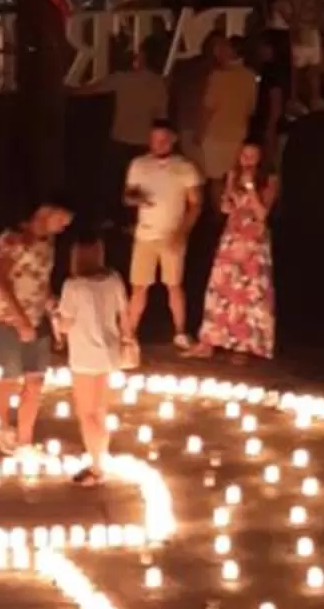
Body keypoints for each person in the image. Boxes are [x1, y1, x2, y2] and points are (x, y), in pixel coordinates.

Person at [0, 202, 71, 452]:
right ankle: (1, 429)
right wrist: (20, 320)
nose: (64, 227)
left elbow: (42, 283)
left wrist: (54, 313)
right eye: (62, 220)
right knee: (10, 377)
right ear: (45, 211)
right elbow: (1, 282)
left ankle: (24, 440)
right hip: (6, 319)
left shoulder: (49, 244)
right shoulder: (13, 239)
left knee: (35, 380)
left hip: (37, 320)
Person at [122, 116, 201, 357]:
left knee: (174, 285)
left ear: (173, 140)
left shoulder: (185, 167)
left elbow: (195, 204)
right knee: (138, 287)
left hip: (171, 235)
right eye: (156, 140)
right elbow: (127, 196)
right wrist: (136, 199)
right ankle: (128, 335)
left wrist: (181, 233)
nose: (160, 144)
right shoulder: (138, 165)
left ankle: (179, 331)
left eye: (164, 140)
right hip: (144, 235)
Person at [53, 236, 128, 480]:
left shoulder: (73, 287)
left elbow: (65, 325)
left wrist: (55, 316)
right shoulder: (114, 279)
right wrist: (127, 338)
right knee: (100, 411)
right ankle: (100, 456)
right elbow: (123, 313)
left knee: (87, 414)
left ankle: (97, 466)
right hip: (109, 353)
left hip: (85, 356)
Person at [196, 141, 279, 363]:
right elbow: (226, 208)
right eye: (244, 155)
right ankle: (216, 338)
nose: (248, 160)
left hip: (253, 241)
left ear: (260, 159)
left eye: (253, 156)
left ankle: (244, 345)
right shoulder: (233, 176)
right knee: (224, 287)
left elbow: (262, 213)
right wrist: (230, 188)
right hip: (233, 237)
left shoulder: (269, 181)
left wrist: (251, 187)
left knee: (248, 290)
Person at [194, 32, 258, 187]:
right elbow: (250, 109)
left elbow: (208, 109)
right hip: (239, 135)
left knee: (215, 180)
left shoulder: (217, 77)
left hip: (215, 137)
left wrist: (199, 133)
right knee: (234, 179)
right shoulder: (250, 76)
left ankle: (219, 210)